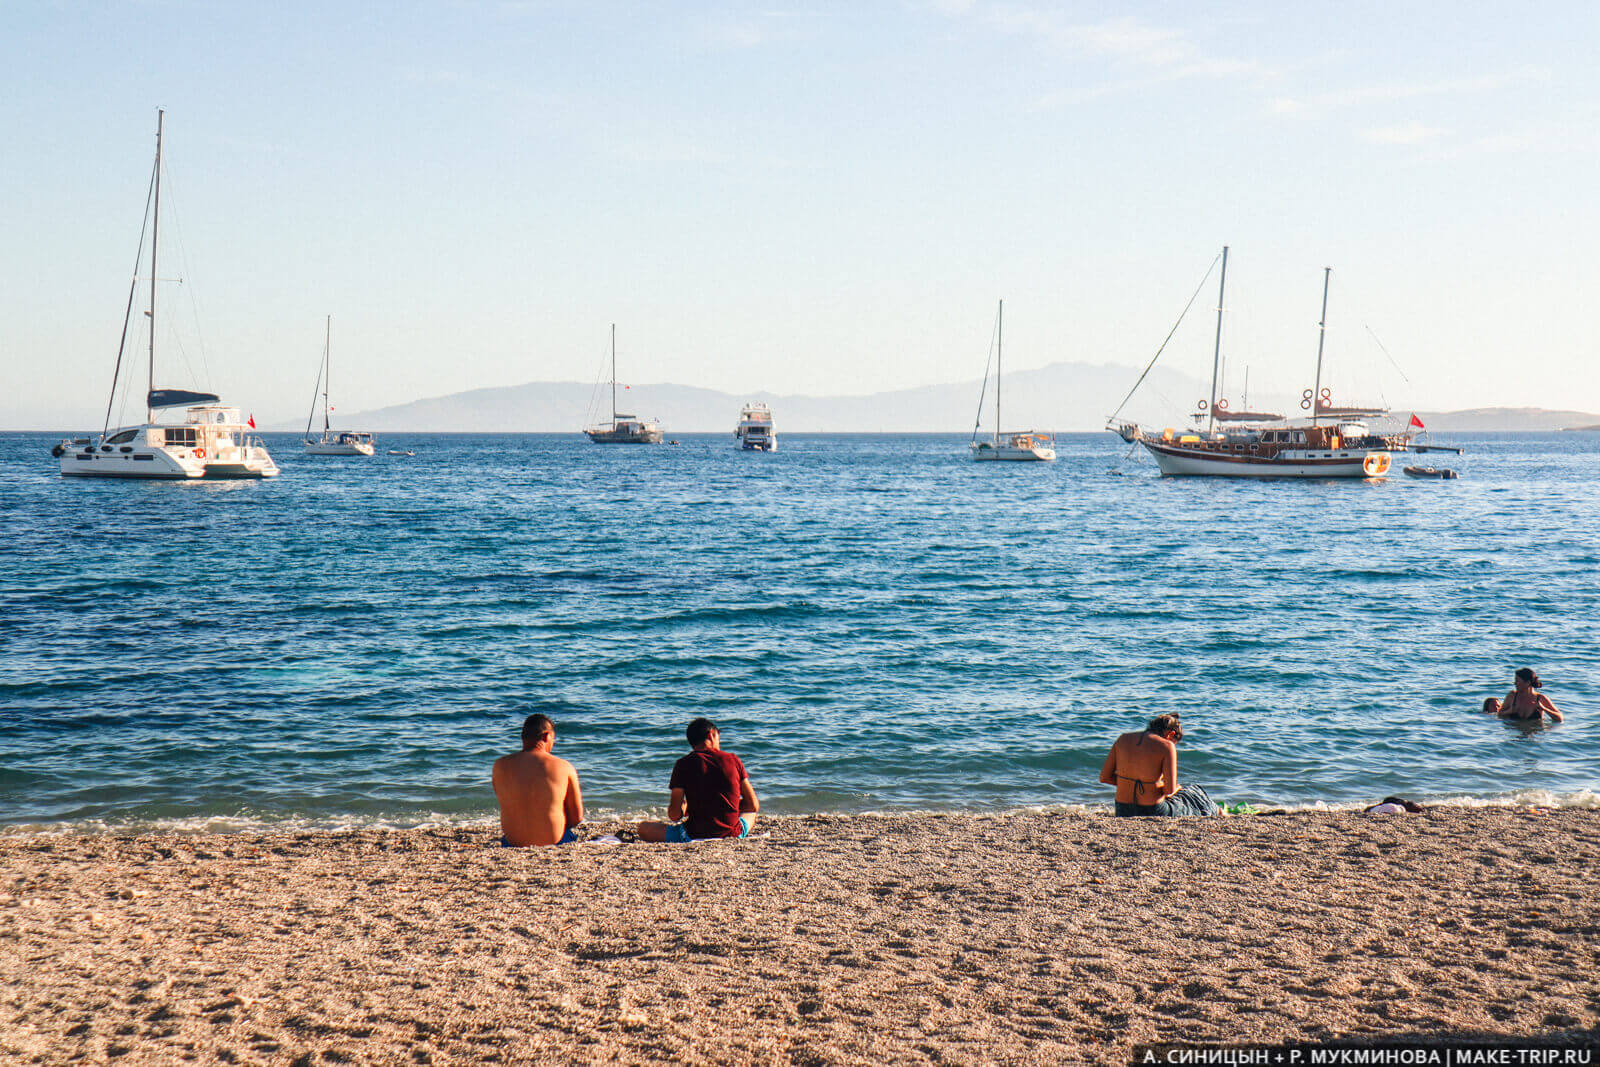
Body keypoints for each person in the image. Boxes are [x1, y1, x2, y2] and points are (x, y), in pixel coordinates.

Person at [638, 718, 759, 843]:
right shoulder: (733, 760)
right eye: (718, 736)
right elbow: (753, 805)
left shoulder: (682, 764)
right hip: (732, 835)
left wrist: (686, 808)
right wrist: (725, 806)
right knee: (751, 814)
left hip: (693, 836)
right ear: (711, 735)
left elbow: (674, 815)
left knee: (643, 828)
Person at [1099, 713, 1218, 817]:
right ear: (1170, 734)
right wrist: (1176, 787)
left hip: (1122, 810)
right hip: (1153, 810)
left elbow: (1104, 778)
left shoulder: (1122, 739)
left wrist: (1130, 783)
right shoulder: (1167, 746)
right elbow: (1169, 790)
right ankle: (1219, 811)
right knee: (1193, 791)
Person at [492, 714, 584, 846]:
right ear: (546, 736)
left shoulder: (499, 766)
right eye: (553, 739)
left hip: (513, 842)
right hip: (554, 841)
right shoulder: (564, 767)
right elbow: (577, 817)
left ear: (523, 736)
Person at [1497, 668, 1563, 723]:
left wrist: (1544, 709)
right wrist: (1509, 711)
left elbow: (1560, 718)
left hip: (1534, 735)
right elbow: (1499, 715)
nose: (1515, 683)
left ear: (1527, 683)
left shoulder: (1540, 698)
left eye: (1517, 681)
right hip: (1514, 733)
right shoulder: (1512, 696)